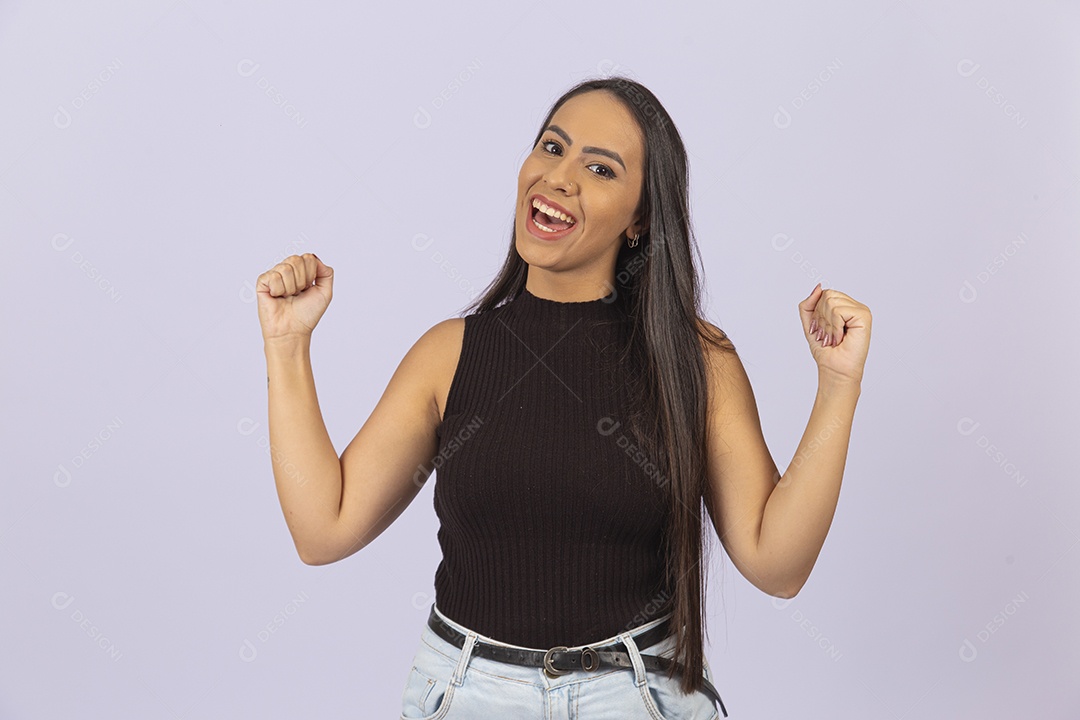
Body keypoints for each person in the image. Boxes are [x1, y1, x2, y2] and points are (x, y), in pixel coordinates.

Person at [255, 75, 872, 719]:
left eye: (600, 168)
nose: (560, 177)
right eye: (552, 148)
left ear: (640, 219)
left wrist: (838, 384)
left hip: (636, 697)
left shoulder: (695, 359)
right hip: (469, 697)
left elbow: (778, 566)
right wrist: (287, 344)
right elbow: (323, 529)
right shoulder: (449, 354)